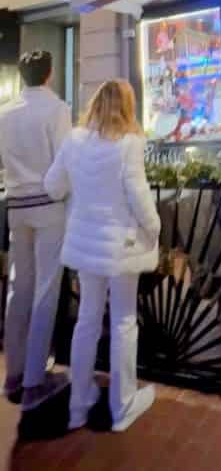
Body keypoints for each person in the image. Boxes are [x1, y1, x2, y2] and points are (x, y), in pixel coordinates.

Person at [44, 79, 159, 432]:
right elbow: (138, 196)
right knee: (124, 321)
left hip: (84, 244)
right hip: (122, 247)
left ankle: (78, 405)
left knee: (87, 320)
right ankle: (121, 406)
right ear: (127, 106)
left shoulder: (74, 141)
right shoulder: (129, 143)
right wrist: (154, 228)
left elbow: (52, 186)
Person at [0, 50, 72, 410]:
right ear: (49, 73)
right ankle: (33, 380)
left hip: (16, 207)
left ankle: (12, 373)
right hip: (47, 206)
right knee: (46, 290)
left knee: (19, 288)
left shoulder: (6, 112)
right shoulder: (56, 109)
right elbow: (64, 162)